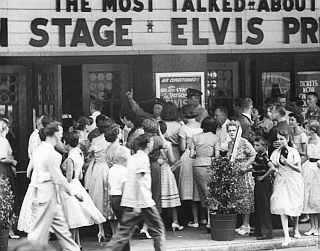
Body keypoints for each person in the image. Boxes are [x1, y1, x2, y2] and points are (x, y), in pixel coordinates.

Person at [20, 121, 82, 250]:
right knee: (44, 232)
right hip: (47, 196)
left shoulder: (39, 150)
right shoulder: (51, 154)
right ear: (53, 136)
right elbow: (58, 178)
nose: (61, 139)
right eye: (59, 136)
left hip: (43, 194)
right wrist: (74, 192)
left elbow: (30, 172)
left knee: (60, 231)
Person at [106, 134, 166, 251]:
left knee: (122, 234)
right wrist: (138, 204)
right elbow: (139, 179)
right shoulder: (143, 159)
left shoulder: (132, 158)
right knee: (158, 230)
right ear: (148, 144)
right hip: (143, 201)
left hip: (129, 200)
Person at [60, 131, 106, 248]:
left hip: (70, 187)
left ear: (66, 143)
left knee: (71, 218)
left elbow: (69, 178)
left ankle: (73, 244)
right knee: (75, 218)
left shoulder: (70, 158)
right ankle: (76, 243)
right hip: (77, 184)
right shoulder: (79, 154)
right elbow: (79, 176)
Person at [270, 130, 303, 247]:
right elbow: (273, 166)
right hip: (281, 181)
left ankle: (296, 229)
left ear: (287, 139)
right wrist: (276, 170)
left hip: (293, 180)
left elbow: (299, 169)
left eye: (281, 139)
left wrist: (288, 163)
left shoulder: (293, 151)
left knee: (294, 205)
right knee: (282, 207)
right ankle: (286, 235)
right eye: (278, 139)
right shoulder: (276, 153)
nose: (279, 141)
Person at [85, 119, 114, 242]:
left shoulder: (95, 141)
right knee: (109, 198)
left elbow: (89, 155)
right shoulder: (109, 141)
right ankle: (111, 229)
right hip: (107, 168)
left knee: (98, 199)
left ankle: (100, 230)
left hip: (97, 169)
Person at [227, 120, 256, 236]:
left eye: (234, 130)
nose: (232, 133)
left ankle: (246, 224)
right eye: (229, 131)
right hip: (235, 175)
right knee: (238, 200)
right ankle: (242, 224)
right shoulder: (230, 144)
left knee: (246, 199)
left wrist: (245, 165)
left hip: (244, 174)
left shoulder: (244, 142)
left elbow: (253, 154)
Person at [190, 117, 220, 229]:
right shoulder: (215, 138)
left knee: (203, 193)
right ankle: (211, 221)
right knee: (210, 192)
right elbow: (217, 156)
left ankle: (208, 220)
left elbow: (191, 155)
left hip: (197, 165)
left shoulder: (195, 137)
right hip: (210, 165)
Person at [105, 123, 131, 235]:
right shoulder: (122, 149)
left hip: (111, 178)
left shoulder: (108, 149)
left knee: (111, 209)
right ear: (118, 135)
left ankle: (114, 232)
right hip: (121, 180)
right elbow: (128, 164)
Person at [178, 104, 202, 227]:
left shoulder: (184, 128)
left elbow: (182, 147)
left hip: (188, 156)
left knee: (190, 189)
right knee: (199, 187)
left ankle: (195, 219)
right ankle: (203, 218)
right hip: (200, 155)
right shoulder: (201, 127)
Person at [158, 120, 183, 231]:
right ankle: (175, 221)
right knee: (171, 195)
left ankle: (159, 221)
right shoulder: (167, 144)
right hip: (166, 170)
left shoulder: (153, 142)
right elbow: (172, 160)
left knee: (158, 196)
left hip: (157, 169)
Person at [252, 137, 275, 240]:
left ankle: (267, 232)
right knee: (259, 206)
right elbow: (257, 167)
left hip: (263, 183)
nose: (255, 147)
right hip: (257, 182)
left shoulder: (265, 157)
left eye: (258, 145)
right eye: (255, 145)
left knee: (264, 207)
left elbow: (272, 168)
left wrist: (263, 177)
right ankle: (259, 230)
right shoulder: (258, 156)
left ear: (264, 147)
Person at [0, 118, 19, 239]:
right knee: (7, 197)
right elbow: (2, 158)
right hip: (3, 169)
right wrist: (14, 161)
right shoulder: (3, 140)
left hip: (5, 169)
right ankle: (8, 229)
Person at [302, 121, 320, 236]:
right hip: (309, 168)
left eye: (307, 129)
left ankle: (319, 227)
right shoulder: (308, 140)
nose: (305, 131)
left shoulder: (319, 141)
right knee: (308, 197)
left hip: (317, 170)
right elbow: (306, 155)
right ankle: (313, 226)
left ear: (312, 130)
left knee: (316, 197)